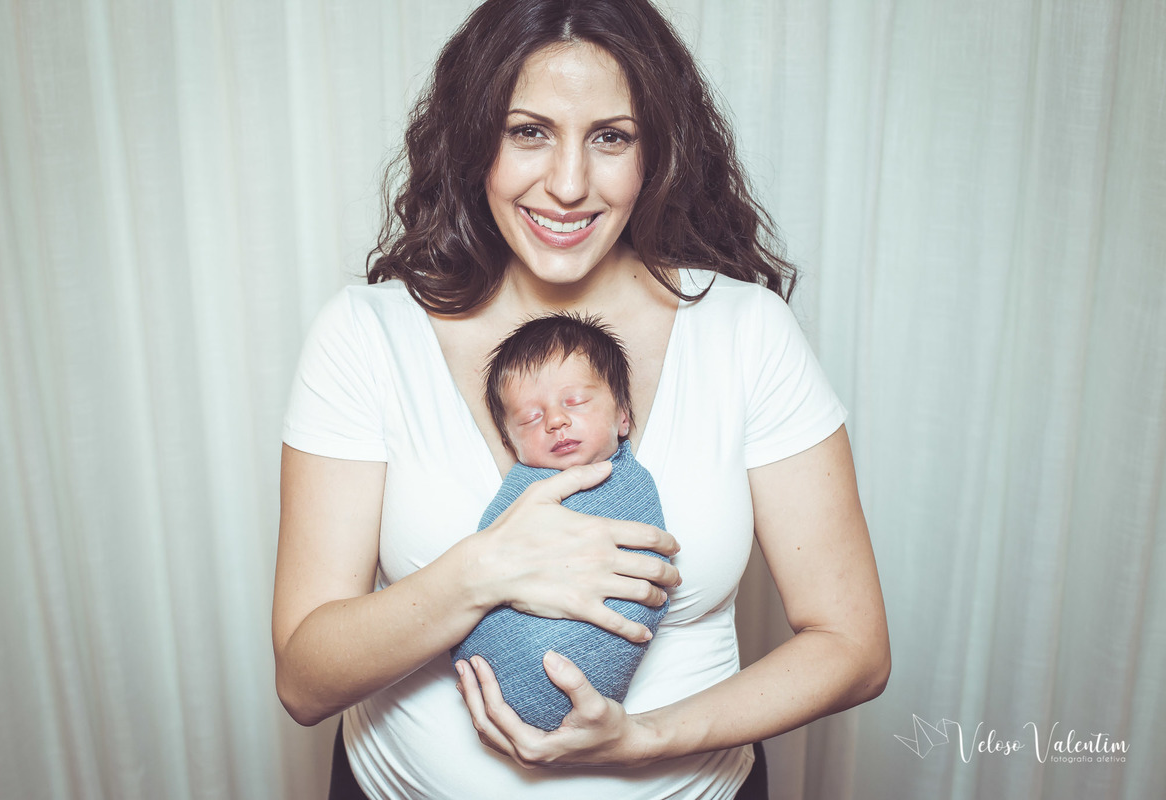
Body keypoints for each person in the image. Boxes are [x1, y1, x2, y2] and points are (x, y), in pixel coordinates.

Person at [273, 0, 890, 797]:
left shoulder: (747, 331)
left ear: (655, 151)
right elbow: (303, 681)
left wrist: (644, 741)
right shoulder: (366, 333)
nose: (567, 186)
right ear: (474, 142)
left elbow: (854, 645)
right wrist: (487, 569)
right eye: (528, 131)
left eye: (611, 137)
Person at [452, 312, 671, 732]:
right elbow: (487, 560)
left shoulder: (632, 485)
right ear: (509, 442)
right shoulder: (523, 491)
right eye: (530, 418)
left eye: (575, 402)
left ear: (624, 415)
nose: (555, 421)